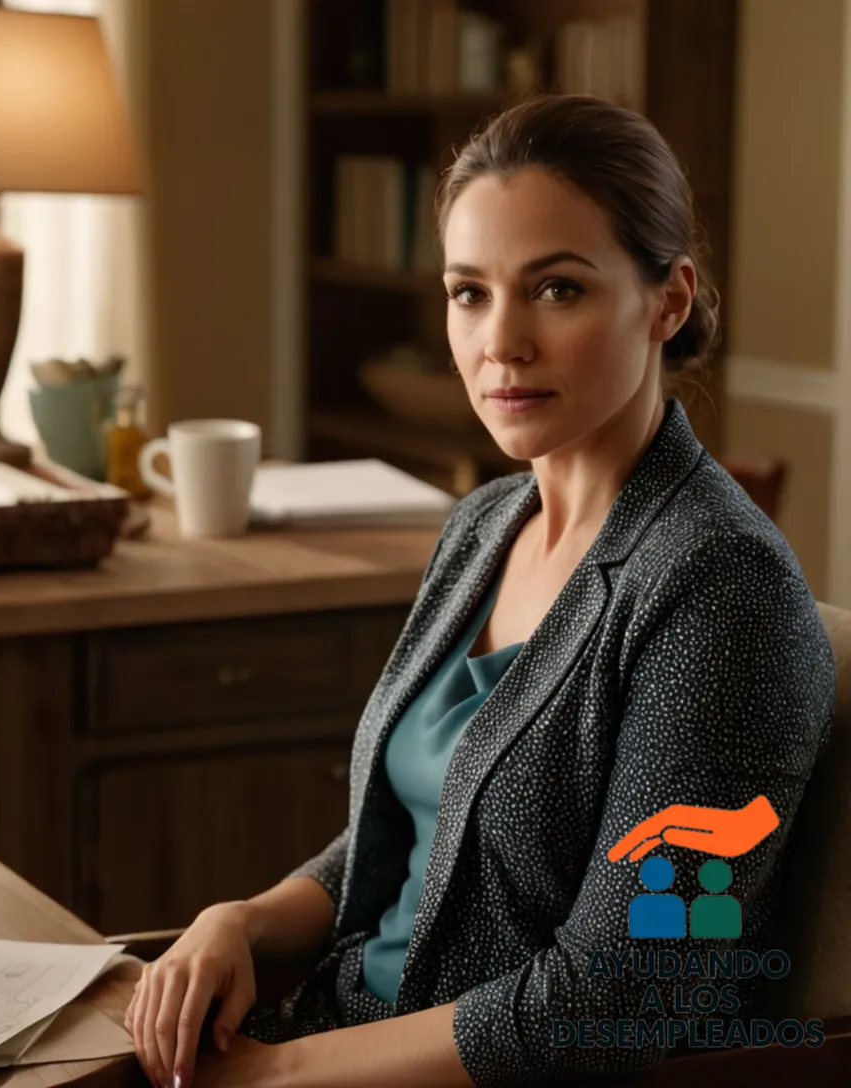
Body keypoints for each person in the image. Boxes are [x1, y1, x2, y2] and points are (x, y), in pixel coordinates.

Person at [124, 94, 837, 1088]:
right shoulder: (482, 524)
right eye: (468, 291)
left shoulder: (719, 589)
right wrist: (236, 919)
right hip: (320, 1031)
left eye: (554, 289)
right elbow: (418, 828)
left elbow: (613, 1000)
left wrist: (275, 1075)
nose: (499, 340)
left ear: (666, 300)